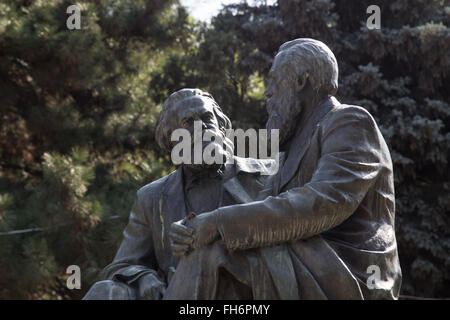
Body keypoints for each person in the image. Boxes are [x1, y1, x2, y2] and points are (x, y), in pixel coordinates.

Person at [167, 39, 402, 300]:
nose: (267, 93)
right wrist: (194, 226)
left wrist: (218, 221)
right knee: (211, 253)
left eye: (274, 81)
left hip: (347, 268)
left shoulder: (349, 121)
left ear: (301, 82)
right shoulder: (289, 147)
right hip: (302, 258)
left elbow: (323, 203)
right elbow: (263, 206)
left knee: (210, 257)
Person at [83, 88, 274, 300]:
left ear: (221, 125)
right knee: (105, 291)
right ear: (173, 141)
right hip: (178, 294)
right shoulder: (152, 198)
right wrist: (144, 277)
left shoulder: (266, 175)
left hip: (246, 291)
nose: (201, 128)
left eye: (206, 118)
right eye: (188, 123)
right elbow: (123, 265)